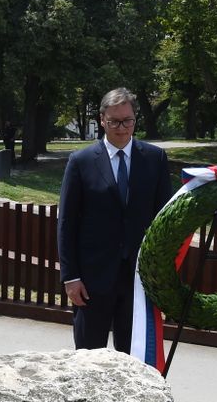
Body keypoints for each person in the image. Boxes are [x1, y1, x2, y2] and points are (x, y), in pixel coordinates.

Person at [58, 88, 174, 351]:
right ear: (102, 120)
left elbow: (164, 220)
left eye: (128, 121)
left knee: (133, 360)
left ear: (135, 119)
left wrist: (161, 274)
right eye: (114, 121)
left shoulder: (155, 159)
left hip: (138, 280)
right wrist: (70, 276)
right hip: (90, 281)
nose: (122, 128)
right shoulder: (81, 162)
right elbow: (66, 223)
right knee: (88, 360)